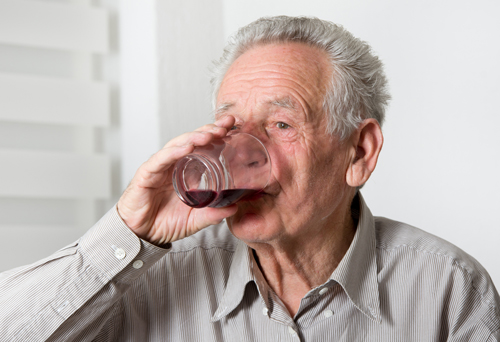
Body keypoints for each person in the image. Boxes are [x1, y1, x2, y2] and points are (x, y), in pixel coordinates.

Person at [1, 16, 499, 342]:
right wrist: (130, 233)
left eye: (282, 125)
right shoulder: (147, 279)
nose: (242, 153)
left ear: (359, 152)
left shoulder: (449, 289)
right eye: (230, 127)